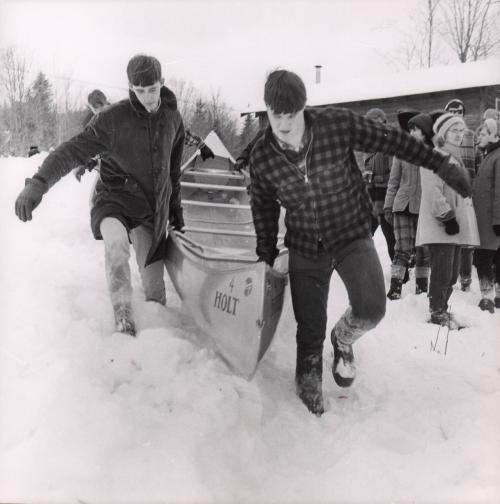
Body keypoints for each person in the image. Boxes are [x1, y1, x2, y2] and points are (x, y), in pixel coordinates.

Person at [247, 70, 471, 416]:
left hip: (352, 234)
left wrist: (440, 164)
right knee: (309, 329)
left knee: (371, 308)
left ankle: (343, 339)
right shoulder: (262, 156)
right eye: (276, 115)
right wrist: (266, 252)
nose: (284, 123)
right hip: (305, 244)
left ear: (303, 108)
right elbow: (261, 204)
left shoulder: (335, 125)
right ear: (268, 110)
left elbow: (394, 142)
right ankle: (308, 389)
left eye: (291, 114)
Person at [14, 54, 186, 336]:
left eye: (152, 89)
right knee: (116, 243)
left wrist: (176, 211)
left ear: (161, 83)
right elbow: (72, 150)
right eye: (138, 91)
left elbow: (173, 172)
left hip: (151, 209)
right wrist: (38, 183)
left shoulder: (173, 120)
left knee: (155, 292)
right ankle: (122, 313)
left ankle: (157, 334)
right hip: (115, 200)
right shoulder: (112, 119)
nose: (146, 97)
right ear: (131, 87)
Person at [416, 112, 479, 328]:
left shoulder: (455, 158)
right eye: (454, 130)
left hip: (455, 227)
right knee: (442, 272)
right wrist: (447, 216)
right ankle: (437, 312)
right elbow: (433, 191)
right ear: (443, 132)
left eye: (461, 131)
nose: (459, 135)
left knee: (452, 274)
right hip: (441, 225)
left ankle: (442, 308)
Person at [384, 112, 432, 300]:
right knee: (402, 248)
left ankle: (422, 288)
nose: (412, 132)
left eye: (416, 129)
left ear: (425, 132)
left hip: (425, 209)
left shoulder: (433, 153)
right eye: (410, 129)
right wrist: (388, 205)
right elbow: (393, 181)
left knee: (423, 251)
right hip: (402, 206)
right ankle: (395, 288)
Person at [444, 99, 478, 291]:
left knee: (467, 236)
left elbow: (478, 164)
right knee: (449, 234)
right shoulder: (441, 137)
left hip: (467, 192)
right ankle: (449, 279)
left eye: (459, 112)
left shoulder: (471, 136)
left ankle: (466, 279)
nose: (456, 114)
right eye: (452, 111)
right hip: (448, 191)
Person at [472, 118, 500, 313]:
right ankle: (494, 296)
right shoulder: (488, 155)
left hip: (491, 221)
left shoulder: (497, 157)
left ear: (493, 135)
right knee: (492, 257)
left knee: (484, 258)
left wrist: (498, 221)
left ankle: (488, 297)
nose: (478, 138)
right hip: (484, 220)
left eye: (482, 134)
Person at [362, 108, 395, 261]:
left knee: (392, 239)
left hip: (386, 197)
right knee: (363, 236)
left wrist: (375, 178)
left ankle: (403, 277)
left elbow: (394, 175)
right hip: (371, 197)